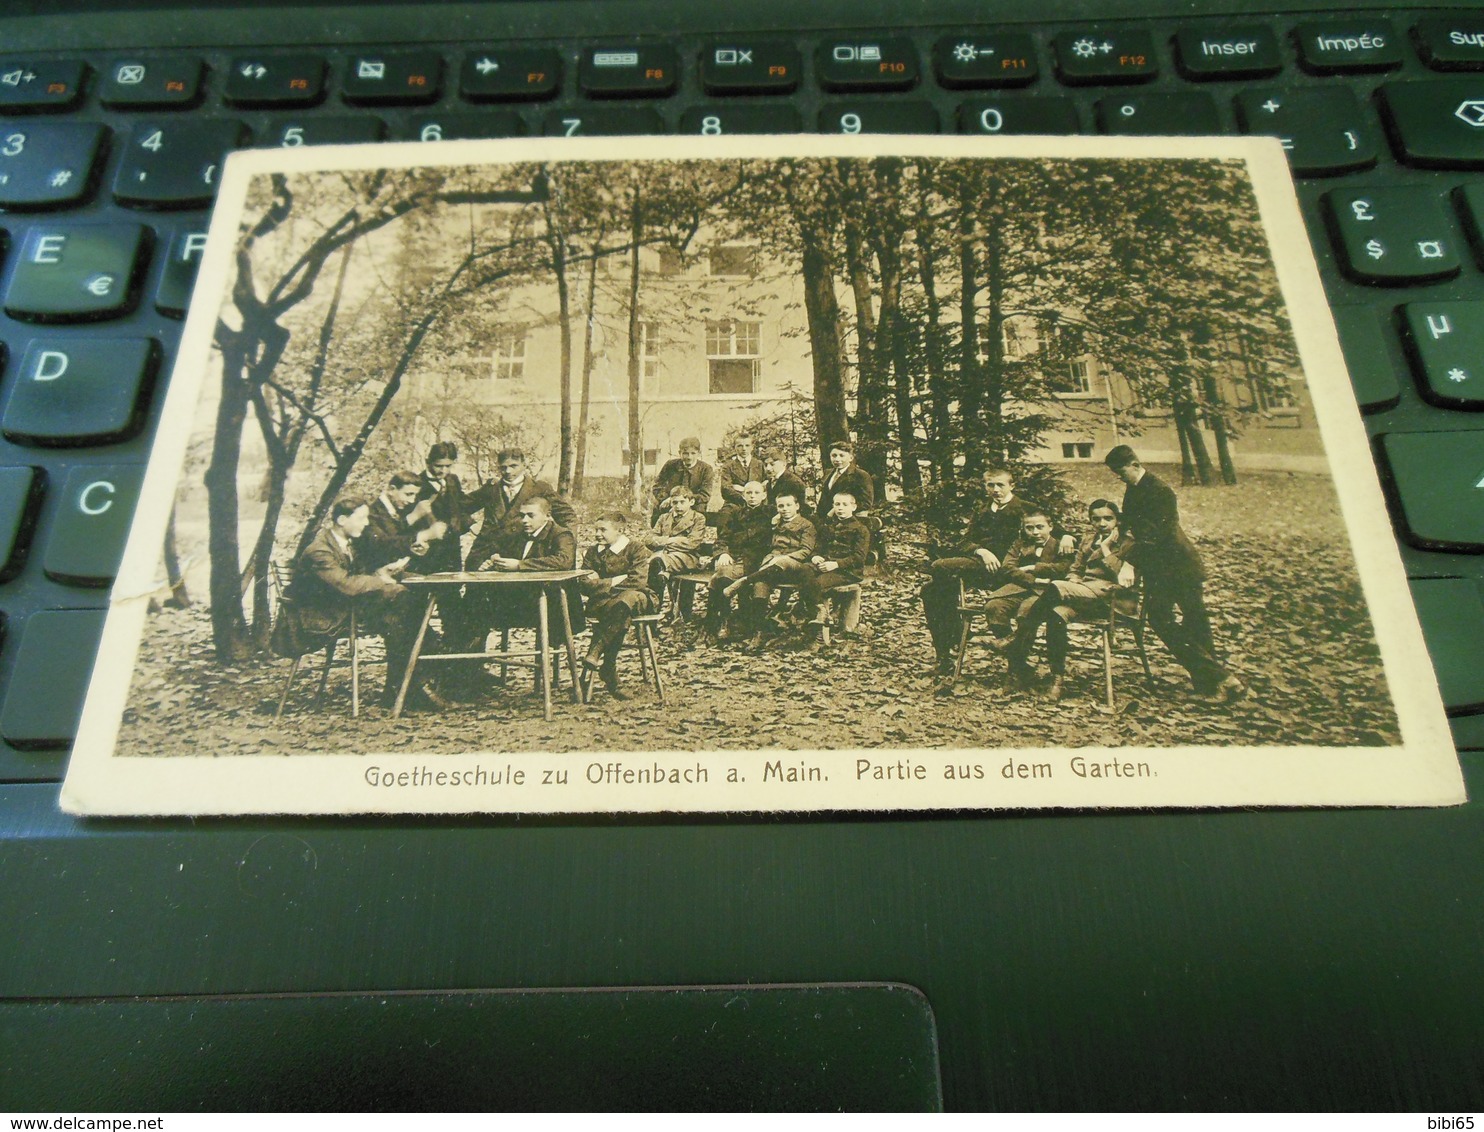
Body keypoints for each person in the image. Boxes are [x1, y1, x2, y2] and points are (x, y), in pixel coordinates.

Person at [271, 495, 444, 710]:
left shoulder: (343, 542)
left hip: (341, 609)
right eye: (362, 518)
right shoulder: (320, 550)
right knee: (403, 609)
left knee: (403, 609)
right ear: (342, 519)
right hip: (317, 619)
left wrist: (383, 571)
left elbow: (356, 575)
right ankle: (408, 687)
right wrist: (380, 580)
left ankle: (405, 688)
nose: (366, 523)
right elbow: (346, 585)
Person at [1104, 445, 1244, 702]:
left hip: (1180, 566)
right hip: (1160, 569)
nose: (1119, 476)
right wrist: (1118, 529)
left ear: (1135, 464)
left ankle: (1215, 684)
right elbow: (1136, 522)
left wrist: (1130, 562)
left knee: (1193, 623)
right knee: (1164, 619)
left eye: (1120, 471)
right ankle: (1219, 681)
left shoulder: (1160, 491)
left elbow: (1156, 534)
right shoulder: (1133, 489)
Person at [921, 466, 1047, 676]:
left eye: (1000, 485)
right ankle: (945, 654)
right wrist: (982, 551)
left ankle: (1014, 660)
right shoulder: (982, 510)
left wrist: (1068, 537)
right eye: (991, 485)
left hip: (1012, 571)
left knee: (938, 567)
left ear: (1011, 485)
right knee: (931, 591)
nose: (996, 490)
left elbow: (1052, 531)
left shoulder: (1026, 508)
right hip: (983, 568)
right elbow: (964, 541)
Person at [454, 497, 583, 694]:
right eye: (521, 515)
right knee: (473, 601)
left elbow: (564, 561)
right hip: (521, 602)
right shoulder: (518, 536)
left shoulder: (561, 534)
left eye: (530, 515)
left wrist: (520, 565)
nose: (524, 520)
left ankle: (465, 667)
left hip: (551, 604)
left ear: (547, 516)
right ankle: (466, 667)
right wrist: (493, 562)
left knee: (479, 605)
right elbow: (502, 553)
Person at [1002, 499, 1129, 699]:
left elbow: (1119, 573)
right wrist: (1074, 580)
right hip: (1082, 593)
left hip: (1111, 597)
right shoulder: (1088, 539)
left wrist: (1106, 547)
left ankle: (1018, 637)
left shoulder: (1127, 541)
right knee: (1055, 616)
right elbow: (1075, 569)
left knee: (1054, 587)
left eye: (1108, 518)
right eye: (1096, 519)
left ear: (1117, 520)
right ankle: (1057, 680)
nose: (1102, 524)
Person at [578, 513, 658, 701]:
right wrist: (616, 580)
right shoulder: (592, 552)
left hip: (639, 598)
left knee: (626, 600)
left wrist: (601, 582)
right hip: (607, 604)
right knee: (620, 609)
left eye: (603, 530)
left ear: (619, 531)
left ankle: (596, 652)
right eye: (595, 529)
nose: (597, 534)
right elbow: (582, 582)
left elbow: (638, 581)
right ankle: (608, 667)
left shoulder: (635, 549)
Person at [463, 449, 577, 574]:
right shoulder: (491, 489)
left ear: (524, 464)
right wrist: (471, 524)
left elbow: (568, 516)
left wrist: (567, 545)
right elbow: (458, 508)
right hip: (485, 550)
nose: (508, 471)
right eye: (503, 467)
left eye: (513, 466)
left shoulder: (539, 488)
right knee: (474, 587)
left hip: (516, 553)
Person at [723, 489, 816, 642]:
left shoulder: (806, 525)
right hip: (771, 565)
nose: (785, 509)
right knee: (760, 584)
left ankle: (743, 581)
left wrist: (783, 558)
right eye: (781, 506)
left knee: (778, 563)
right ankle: (759, 632)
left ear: (797, 506)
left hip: (794, 566)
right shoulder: (775, 524)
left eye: (788, 505)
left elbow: (806, 550)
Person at [973, 509, 1076, 642]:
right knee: (994, 607)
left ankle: (1015, 650)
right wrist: (1035, 580)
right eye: (1029, 528)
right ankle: (1010, 648)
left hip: (1046, 594)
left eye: (1040, 527)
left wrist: (1034, 568)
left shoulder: (1060, 546)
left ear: (1050, 527)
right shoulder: (1019, 544)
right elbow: (1008, 568)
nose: (1035, 532)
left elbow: (1063, 568)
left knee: (1027, 611)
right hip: (1020, 589)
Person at [795, 489, 870, 639]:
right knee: (802, 571)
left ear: (853, 507)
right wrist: (816, 557)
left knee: (816, 583)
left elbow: (859, 557)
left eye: (845, 504)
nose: (840, 508)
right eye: (837, 504)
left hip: (847, 572)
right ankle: (819, 614)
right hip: (825, 566)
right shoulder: (830, 526)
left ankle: (818, 619)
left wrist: (835, 564)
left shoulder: (861, 529)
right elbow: (819, 547)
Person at [704, 479, 773, 640]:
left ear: (764, 495)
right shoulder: (736, 514)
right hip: (735, 557)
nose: (753, 496)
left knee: (718, 579)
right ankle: (724, 621)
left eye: (757, 493)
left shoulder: (771, 513)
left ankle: (725, 621)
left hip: (757, 561)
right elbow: (723, 538)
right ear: (743, 495)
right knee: (721, 574)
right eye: (749, 493)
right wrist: (722, 553)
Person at [405, 441, 470, 575]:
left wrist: (468, 523)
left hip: (451, 549)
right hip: (427, 551)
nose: (443, 470)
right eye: (439, 466)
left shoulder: (452, 480)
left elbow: (460, 505)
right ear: (428, 462)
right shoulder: (416, 484)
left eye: (448, 466)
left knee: (451, 590)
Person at [643, 485, 707, 599]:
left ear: (691, 502)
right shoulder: (664, 517)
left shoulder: (698, 518)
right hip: (665, 554)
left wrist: (664, 540)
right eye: (675, 502)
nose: (678, 506)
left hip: (688, 557)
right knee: (656, 565)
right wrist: (674, 540)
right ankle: (656, 603)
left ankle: (656, 603)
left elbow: (692, 543)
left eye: (682, 502)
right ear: (670, 503)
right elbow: (648, 539)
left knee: (657, 561)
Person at [357, 470, 427, 572]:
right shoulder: (373, 513)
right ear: (391, 489)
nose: (412, 500)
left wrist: (416, 547)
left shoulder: (401, 507)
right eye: (408, 494)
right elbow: (382, 544)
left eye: (415, 495)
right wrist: (417, 537)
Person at [651, 437, 716, 521]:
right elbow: (657, 486)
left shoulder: (706, 469)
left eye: (693, 453)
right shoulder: (670, 465)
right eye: (685, 453)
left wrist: (685, 502)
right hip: (671, 502)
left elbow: (705, 495)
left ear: (699, 453)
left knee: (698, 514)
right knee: (658, 510)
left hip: (694, 504)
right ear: (679, 453)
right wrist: (669, 499)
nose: (689, 457)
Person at [719, 434, 765, 507]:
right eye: (740, 446)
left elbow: (765, 485)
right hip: (734, 503)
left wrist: (742, 489)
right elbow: (726, 490)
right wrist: (746, 498)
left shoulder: (759, 464)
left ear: (752, 447)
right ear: (735, 447)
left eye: (747, 445)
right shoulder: (728, 466)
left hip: (757, 504)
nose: (744, 449)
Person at [762, 449, 812, 518]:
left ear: (784, 464)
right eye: (765, 465)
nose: (768, 468)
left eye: (772, 464)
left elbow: (801, 508)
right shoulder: (770, 481)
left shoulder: (794, 482)